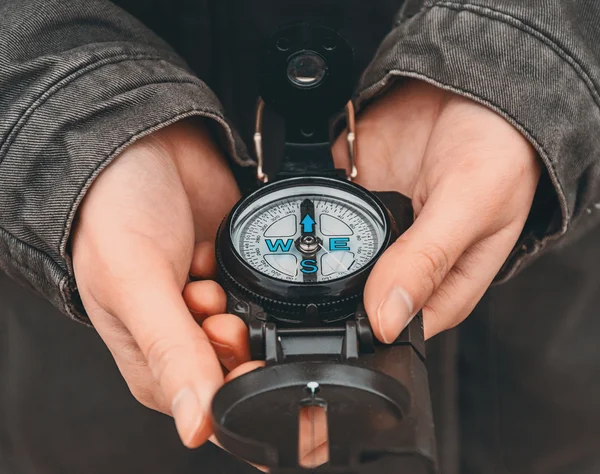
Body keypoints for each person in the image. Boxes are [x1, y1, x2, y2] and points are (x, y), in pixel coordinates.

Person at [1, 1, 599, 473]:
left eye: (310, 240)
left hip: (536, 351)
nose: (308, 247)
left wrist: (525, 62)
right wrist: (76, 122)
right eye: (298, 242)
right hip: (101, 322)